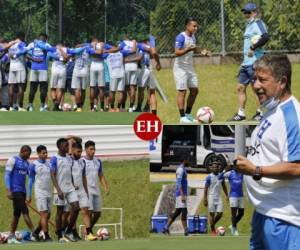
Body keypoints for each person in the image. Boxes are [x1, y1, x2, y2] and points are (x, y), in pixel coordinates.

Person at [235, 54, 300, 250]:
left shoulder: (292, 116)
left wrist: (256, 170)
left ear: (282, 82)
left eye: (263, 80)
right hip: (264, 212)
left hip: (284, 218)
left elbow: (297, 167)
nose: (255, 85)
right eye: (255, 79)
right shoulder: (272, 112)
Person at [229, 2, 269, 121]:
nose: (246, 14)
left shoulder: (258, 23)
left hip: (255, 62)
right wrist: (244, 62)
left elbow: (266, 37)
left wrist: (253, 47)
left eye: (248, 12)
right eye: (245, 12)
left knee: (256, 88)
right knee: (240, 87)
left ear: (254, 12)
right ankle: (241, 114)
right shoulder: (248, 25)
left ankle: (260, 113)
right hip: (246, 63)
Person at [4, 145, 38, 243]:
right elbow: (7, 175)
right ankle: (34, 233)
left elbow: (31, 177)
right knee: (25, 211)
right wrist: (8, 190)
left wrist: (28, 194)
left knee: (16, 213)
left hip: (22, 191)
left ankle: (11, 235)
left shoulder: (27, 163)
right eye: (28, 154)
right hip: (15, 190)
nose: (29, 157)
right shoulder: (13, 160)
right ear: (22, 151)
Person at [50, 138, 80, 242]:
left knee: (76, 207)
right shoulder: (54, 158)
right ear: (59, 147)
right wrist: (58, 189)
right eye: (65, 146)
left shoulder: (69, 158)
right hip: (60, 189)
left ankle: (68, 231)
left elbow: (69, 172)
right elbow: (52, 174)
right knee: (60, 211)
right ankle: (59, 235)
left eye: (68, 145)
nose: (68, 148)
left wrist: (72, 184)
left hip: (70, 188)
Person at [173, 18, 199, 123]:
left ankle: (188, 115)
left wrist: (202, 52)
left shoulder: (193, 37)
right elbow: (176, 52)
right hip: (180, 68)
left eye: (197, 26)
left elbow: (194, 48)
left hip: (190, 67)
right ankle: (182, 117)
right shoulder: (181, 37)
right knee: (182, 91)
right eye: (194, 26)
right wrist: (188, 49)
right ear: (187, 26)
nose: (196, 28)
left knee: (194, 91)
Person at [70, 142, 97, 241]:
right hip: (71, 190)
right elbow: (67, 175)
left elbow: (83, 177)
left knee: (85, 210)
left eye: (81, 152)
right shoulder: (69, 161)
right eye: (78, 151)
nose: (80, 153)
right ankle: (72, 232)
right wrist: (71, 186)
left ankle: (88, 233)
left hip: (81, 189)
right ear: (72, 150)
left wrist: (86, 190)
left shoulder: (82, 162)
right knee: (73, 212)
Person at [82, 140, 109, 233]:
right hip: (87, 189)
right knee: (88, 212)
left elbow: (100, 174)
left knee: (97, 213)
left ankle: (88, 230)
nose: (93, 151)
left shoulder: (98, 161)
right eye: (91, 149)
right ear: (85, 150)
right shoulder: (82, 161)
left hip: (96, 189)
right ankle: (88, 233)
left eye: (94, 149)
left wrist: (105, 187)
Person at [27, 145, 53, 241]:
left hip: (49, 192)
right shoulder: (33, 165)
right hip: (40, 192)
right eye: (43, 153)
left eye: (46, 152)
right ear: (38, 153)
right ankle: (46, 236)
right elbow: (30, 180)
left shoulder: (49, 164)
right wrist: (28, 195)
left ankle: (36, 232)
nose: (45, 154)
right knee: (44, 214)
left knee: (48, 215)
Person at [26, 33, 56, 111]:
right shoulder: (46, 44)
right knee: (43, 89)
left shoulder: (32, 44)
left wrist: (33, 59)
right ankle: (42, 107)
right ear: (46, 38)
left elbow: (25, 52)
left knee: (32, 89)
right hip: (43, 68)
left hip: (34, 68)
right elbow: (54, 50)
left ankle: (30, 106)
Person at [163, 156, 189, 236]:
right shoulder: (180, 169)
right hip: (180, 194)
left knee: (177, 212)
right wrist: (182, 195)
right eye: (187, 160)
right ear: (184, 160)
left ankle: (166, 228)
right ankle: (186, 231)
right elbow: (178, 183)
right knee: (184, 211)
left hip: (182, 193)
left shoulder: (183, 168)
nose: (188, 161)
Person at [204, 161, 229, 235]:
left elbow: (224, 186)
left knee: (220, 213)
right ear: (211, 168)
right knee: (212, 214)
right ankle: (213, 231)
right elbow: (206, 188)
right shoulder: (209, 177)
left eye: (216, 167)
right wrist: (205, 198)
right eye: (213, 167)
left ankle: (212, 224)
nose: (215, 168)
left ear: (218, 168)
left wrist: (227, 195)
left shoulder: (221, 176)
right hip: (211, 196)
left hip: (218, 197)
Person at [7, 32, 27, 111]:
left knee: (11, 86)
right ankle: (19, 106)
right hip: (20, 67)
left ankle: (11, 106)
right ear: (21, 36)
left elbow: (9, 55)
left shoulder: (11, 44)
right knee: (21, 86)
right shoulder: (22, 43)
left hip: (12, 67)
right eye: (24, 37)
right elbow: (25, 52)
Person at [47, 41, 69, 111]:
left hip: (54, 70)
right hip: (62, 70)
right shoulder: (65, 50)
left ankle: (55, 104)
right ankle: (57, 106)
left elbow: (49, 56)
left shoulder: (53, 49)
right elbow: (66, 59)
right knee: (60, 89)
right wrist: (62, 50)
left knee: (53, 88)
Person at [119, 35, 138, 112]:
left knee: (125, 88)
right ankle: (131, 106)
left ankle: (123, 107)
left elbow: (119, 54)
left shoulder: (122, 44)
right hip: (134, 66)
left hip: (126, 66)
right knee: (132, 87)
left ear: (124, 38)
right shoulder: (134, 43)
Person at [223, 167, 244, 236]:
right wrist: (225, 170)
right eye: (235, 165)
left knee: (241, 213)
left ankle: (232, 225)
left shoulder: (242, 173)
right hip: (233, 196)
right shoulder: (230, 173)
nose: (237, 166)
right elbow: (220, 176)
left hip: (241, 195)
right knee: (234, 214)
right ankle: (234, 229)